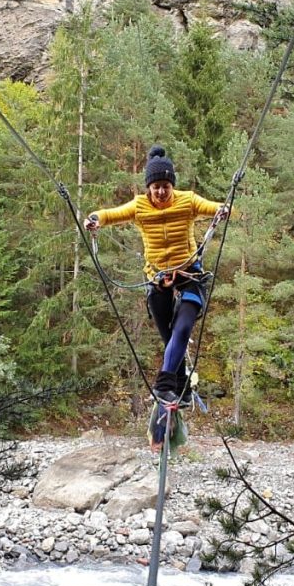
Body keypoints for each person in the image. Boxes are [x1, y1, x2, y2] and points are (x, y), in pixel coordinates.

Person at [85, 145, 228, 407]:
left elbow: (212, 207)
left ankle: (163, 386)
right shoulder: (139, 206)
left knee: (182, 328)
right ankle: (182, 387)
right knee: (169, 337)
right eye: (156, 187)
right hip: (158, 279)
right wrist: (95, 218)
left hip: (189, 274)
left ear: (172, 185)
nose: (161, 192)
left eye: (166, 186)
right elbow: (110, 214)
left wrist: (223, 209)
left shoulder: (187, 200)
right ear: (149, 187)